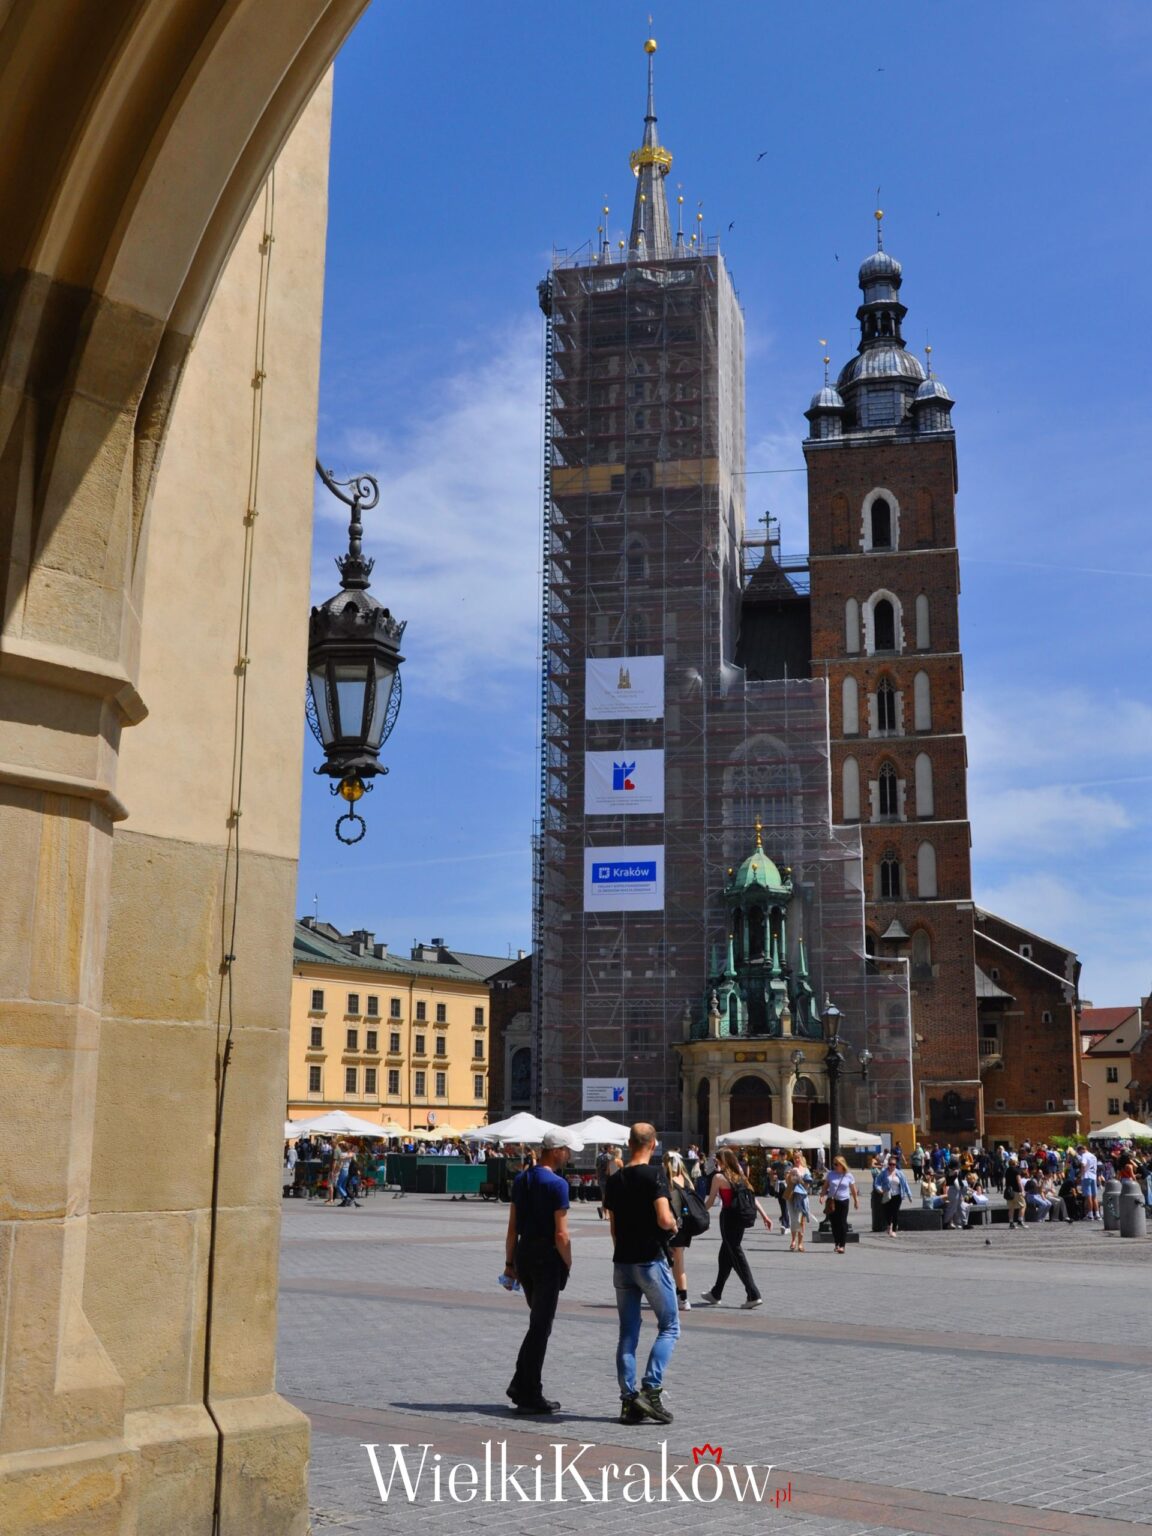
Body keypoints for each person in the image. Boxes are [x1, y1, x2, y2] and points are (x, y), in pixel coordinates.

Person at [604, 1123, 680, 1425]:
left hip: (622, 1262)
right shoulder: (655, 1175)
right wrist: (673, 1223)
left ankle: (628, 1401)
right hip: (649, 1260)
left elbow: (613, 1225)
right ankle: (651, 1389)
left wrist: (622, 1249)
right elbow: (663, 1218)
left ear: (630, 1142)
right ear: (653, 1144)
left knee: (628, 1332)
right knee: (670, 1325)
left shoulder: (615, 1178)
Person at [504, 1131, 575, 1414]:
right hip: (547, 1257)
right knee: (540, 1327)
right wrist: (567, 1262)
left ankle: (521, 1384)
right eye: (566, 1149)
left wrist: (510, 1264)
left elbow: (512, 1228)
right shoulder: (558, 1185)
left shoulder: (523, 1179)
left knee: (538, 1323)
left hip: (524, 1255)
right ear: (555, 1150)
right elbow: (562, 1233)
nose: (568, 1154)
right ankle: (529, 1391)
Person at [698, 1146, 773, 1304]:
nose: (716, 1163)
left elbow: (710, 1201)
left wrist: (697, 1212)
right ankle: (716, 1293)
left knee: (736, 1255)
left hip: (728, 1218)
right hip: (742, 1218)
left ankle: (753, 1293)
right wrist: (765, 1216)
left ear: (722, 1161)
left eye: (717, 1160)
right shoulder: (740, 1176)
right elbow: (753, 1198)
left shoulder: (719, 1177)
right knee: (725, 1254)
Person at [663, 1150, 694, 1312]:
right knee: (679, 1264)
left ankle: (669, 1296)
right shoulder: (686, 1180)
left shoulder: (665, 1181)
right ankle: (683, 1298)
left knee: (664, 1264)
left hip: (668, 1226)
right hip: (684, 1227)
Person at [823, 1155, 859, 1253]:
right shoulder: (830, 1174)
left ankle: (842, 1245)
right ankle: (836, 1243)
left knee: (842, 1222)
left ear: (842, 1164)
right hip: (832, 1201)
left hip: (844, 1201)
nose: (834, 1166)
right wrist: (822, 1196)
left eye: (836, 1164)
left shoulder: (848, 1175)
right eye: (834, 1164)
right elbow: (825, 1186)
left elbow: (853, 1189)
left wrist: (856, 1201)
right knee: (834, 1224)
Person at [874, 1155, 911, 1235]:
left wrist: (909, 1194)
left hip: (897, 1195)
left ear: (896, 1164)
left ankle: (893, 1230)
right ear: (888, 1164)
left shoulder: (900, 1173)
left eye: (893, 1164)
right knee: (887, 1212)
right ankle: (889, 1225)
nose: (892, 1166)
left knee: (895, 1212)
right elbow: (877, 1182)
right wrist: (879, 1188)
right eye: (890, 1164)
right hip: (887, 1194)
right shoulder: (883, 1173)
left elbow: (905, 1184)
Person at [785, 1150, 813, 1251]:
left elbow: (807, 1186)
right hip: (792, 1197)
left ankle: (800, 1243)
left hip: (802, 1197)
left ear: (801, 1158)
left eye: (798, 1158)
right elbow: (787, 1183)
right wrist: (790, 1175)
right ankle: (793, 1241)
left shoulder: (806, 1170)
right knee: (793, 1219)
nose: (796, 1160)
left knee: (801, 1221)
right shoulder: (790, 1169)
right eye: (795, 1158)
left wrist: (800, 1178)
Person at [596, 1144, 623, 1221]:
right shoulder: (611, 1157)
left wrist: (597, 1178)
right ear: (608, 1148)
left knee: (604, 1196)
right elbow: (610, 1170)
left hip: (601, 1178)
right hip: (608, 1179)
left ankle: (604, 1212)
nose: (613, 1149)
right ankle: (606, 1213)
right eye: (611, 1148)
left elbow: (597, 1168)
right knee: (609, 1196)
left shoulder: (599, 1157)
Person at [1003, 1155, 1027, 1228]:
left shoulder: (1007, 1170)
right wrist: (1022, 1190)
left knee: (1011, 1208)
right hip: (1016, 1191)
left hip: (1009, 1191)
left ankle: (1011, 1223)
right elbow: (1019, 1181)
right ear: (1015, 1162)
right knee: (1023, 1205)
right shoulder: (1017, 1170)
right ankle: (1020, 1220)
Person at [1078, 1144, 1100, 1221]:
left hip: (1086, 1176)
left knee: (1088, 1197)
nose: (1080, 1154)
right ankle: (1097, 1214)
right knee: (1094, 1196)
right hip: (1093, 1176)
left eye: (1079, 1152)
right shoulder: (1093, 1156)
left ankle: (1090, 1214)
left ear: (1081, 1150)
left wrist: (1081, 1174)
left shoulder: (1084, 1155)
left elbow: (1083, 1165)